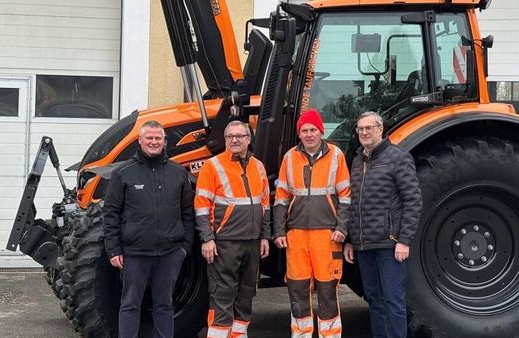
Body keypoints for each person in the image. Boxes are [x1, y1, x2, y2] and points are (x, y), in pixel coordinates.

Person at [103, 120, 195, 338]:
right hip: (135, 254)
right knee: (130, 305)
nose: (154, 142)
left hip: (170, 254)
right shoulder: (123, 173)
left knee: (164, 305)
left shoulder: (178, 173)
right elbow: (111, 213)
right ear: (140, 141)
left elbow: (188, 213)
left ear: (164, 141)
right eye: (150, 138)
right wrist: (114, 249)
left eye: (158, 138)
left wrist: (185, 248)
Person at [343, 111, 422, 338]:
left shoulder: (398, 157)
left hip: (389, 244)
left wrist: (404, 240)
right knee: (374, 299)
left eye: (369, 128)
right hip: (363, 245)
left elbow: (413, 200)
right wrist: (349, 240)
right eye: (360, 129)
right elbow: (353, 204)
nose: (364, 133)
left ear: (380, 129)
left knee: (393, 300)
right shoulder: (358, 161)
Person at [273, 108, 351, 338]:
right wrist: (279, 231)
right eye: (304, 130)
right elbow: (280, 198)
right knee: (297, 289)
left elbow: (346, 197)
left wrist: (341, 228)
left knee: (328, 290)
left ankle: (330, 335)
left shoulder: (336, 156)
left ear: (321, 131)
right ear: (299, 134)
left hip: (327, 235)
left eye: (312, 130)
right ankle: (302, 335)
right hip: (296, 235)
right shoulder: (289, 157)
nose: (308, 135)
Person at [195, 120, 271, 338]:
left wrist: (265, 236)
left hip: (253, 242)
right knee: (222, 295)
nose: (235, 140)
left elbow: (264, 204)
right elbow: (201, 206)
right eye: (230, 136)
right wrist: (207, 239)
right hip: (224, 243)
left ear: (248, 139)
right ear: (225, 140)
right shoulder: (213, 166)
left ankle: (239, 335)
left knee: (247, 295)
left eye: (239, 136)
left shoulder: (258, 166)